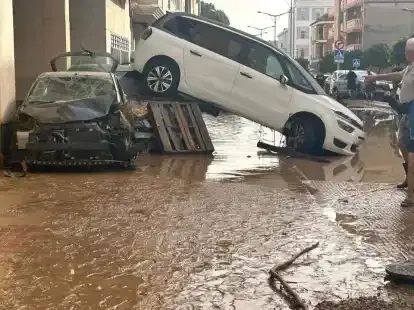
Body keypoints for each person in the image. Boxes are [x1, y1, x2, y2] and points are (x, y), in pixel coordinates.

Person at [365, 38, 414, 207]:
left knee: (413, 153)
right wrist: (377, 77)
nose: (407, 54)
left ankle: (411, 196)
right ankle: (409, 178)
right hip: (405, 114)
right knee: (402, 144)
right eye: (407, 51)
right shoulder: (409, 68)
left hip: (412, 114)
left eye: (410, 51)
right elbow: (397, 75)